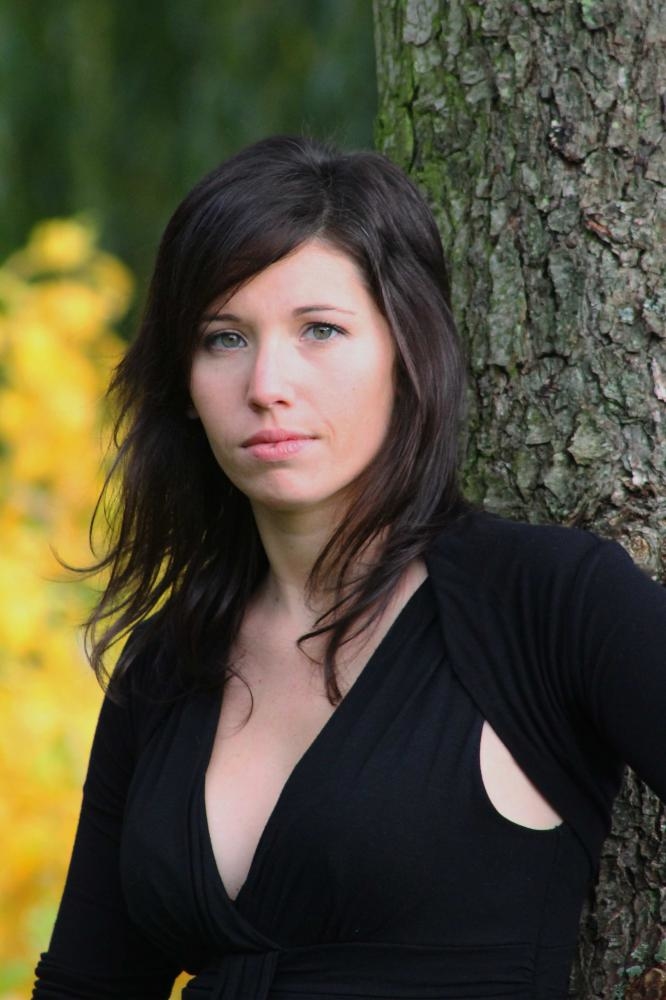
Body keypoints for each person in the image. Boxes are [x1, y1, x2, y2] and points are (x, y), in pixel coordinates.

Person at [33, 135, 666, 1000]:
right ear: (184, 382)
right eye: (224, 338)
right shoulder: (165, 668)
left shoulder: (548, 604)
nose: (267, 383)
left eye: (320, 330)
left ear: (409, 349)